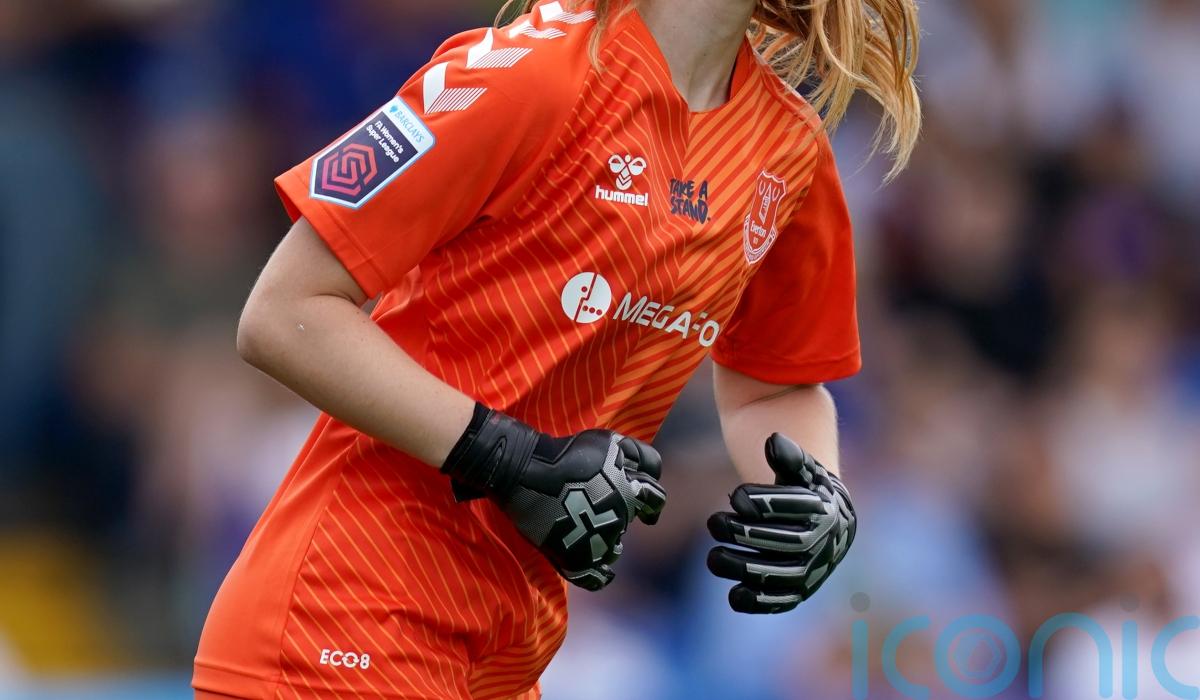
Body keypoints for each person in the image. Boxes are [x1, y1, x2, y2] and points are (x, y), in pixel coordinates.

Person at [193, 0, 920, 697]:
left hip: (509, 651)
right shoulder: (528, 74)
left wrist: (817, 492)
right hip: (342, 616)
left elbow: (774, 386)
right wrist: (510, 458)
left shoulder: (787, 150)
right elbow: (284, 314)